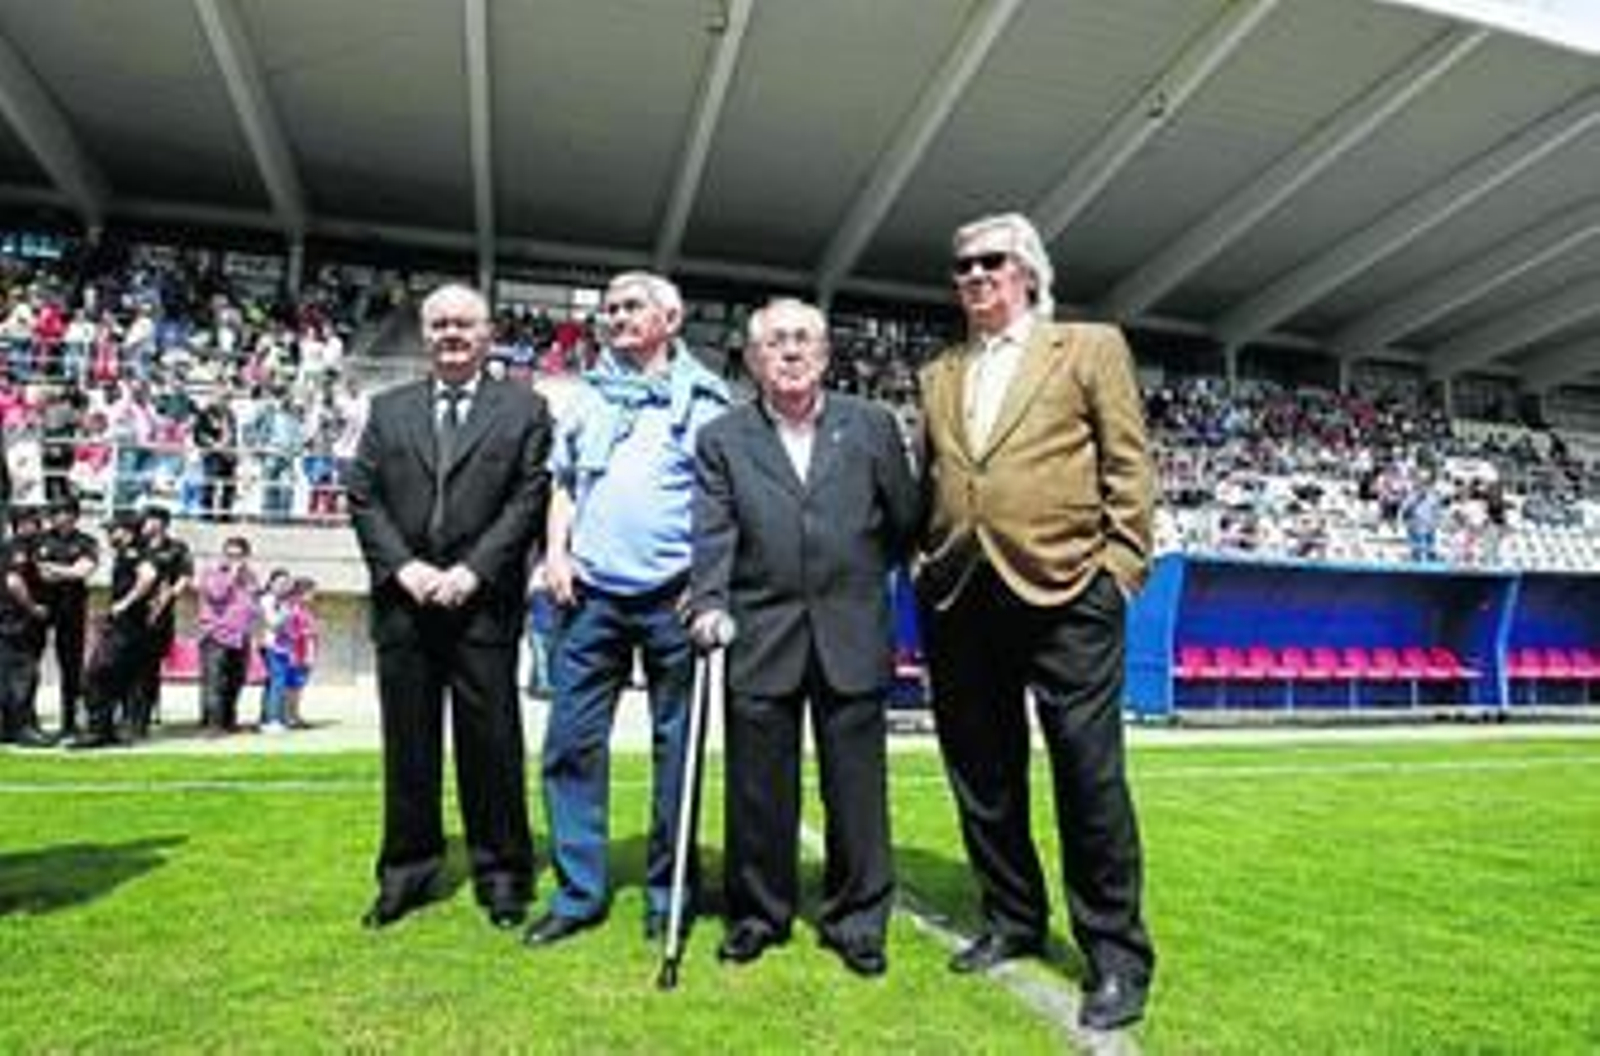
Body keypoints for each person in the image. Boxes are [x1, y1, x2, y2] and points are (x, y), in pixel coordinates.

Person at [916, 212, 1157, 1031]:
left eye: (992, 261)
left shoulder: (1089, 347)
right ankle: (1012, 918)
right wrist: (925, 561)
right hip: (960, 595)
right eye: (963, 266)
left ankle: (1117, 957)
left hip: (1068, 592)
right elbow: (935, 477)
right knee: (983, 778)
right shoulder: (938, 372)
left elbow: (1130, 463)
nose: (975, 276)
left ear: (1027, 272)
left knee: (1089, 778)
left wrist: (1120, 571)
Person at [689, 298, 919, 976]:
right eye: (775, 343)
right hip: (760, 632)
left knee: (856, 792)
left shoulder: (872, 426)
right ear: (754, 358)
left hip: (850, 630)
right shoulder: (722, 437)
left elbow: (904, 518)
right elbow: (713, 533)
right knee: (759, 790)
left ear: (824, 354)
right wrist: (707, 601)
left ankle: (857, 922)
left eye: (802, 340)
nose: (789, 352)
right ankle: (758, 914)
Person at [528, 270, 729, 947]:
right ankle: (578, 892)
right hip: (589, 598)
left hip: (673, 599)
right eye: (609, 308)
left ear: (670, 318)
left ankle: (669, 893)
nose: (615, 317)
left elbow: (721, 503)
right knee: (569, 745)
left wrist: (704, 580)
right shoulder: (587, 397)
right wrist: (556, 553)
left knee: (679, 752)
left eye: (631, 306)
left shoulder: (705, 401)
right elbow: (562, 485)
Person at [346, 282, 551, 931]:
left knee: (490, 746)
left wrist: (473, 571)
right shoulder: (388, 410)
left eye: (465, 324)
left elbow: (529, 498)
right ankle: (407, 872)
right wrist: (404, 567)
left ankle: (502, 874)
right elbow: (364, 497)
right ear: (425, 334)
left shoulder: (526, 410)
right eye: (439, 325)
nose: (452, 335)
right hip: (405, 605)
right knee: (409, 746)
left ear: (489, 333)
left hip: (482, 606)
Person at [69, 511, 158, 750]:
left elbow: (148, 576)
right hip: (128, 627)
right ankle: (108, 731)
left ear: (127, 531)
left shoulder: (134, 553)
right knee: (115, 680)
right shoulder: (127, 554)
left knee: (95, 676)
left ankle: (97, 731)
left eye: (113, 530)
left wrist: (125, 603)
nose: (109, 534)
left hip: (127, 628)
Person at [33, 495, 99, 738]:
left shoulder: (86, 542)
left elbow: (83, 571)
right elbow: (38, 573)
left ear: (75, 515)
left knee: (71, 668)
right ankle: (25, 721)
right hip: (39, 611)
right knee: (28, 667)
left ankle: (69, 723)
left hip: (72, 611)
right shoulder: (39, 539)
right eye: (58, 512)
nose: (63, 517)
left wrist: (53, 569)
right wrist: (66, 571)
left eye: (68, 512)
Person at [130, 506, 192, 737]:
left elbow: (185, 576)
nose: (144, 523)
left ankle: (143, 718)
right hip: (133, 615)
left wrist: (170, 595)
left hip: (160, 617)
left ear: (161, 523)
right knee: (129, 667)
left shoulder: (177, 548)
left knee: (150, 668)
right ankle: (128, 714)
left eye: (149, 519)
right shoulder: (136, 545)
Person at [0, 506, 55, 747]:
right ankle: (24, 728)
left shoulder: (23, 548)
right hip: (17, 622)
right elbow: (14, 582)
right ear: (21, 525)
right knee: (24, 675)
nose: (38, 526)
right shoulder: (18, 548)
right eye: (33, 522)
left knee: (10, 675)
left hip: (15, 622)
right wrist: (32, 607)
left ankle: (10, 727)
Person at [195, 535, 258, 733]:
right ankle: (213, 724)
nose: (234, 559)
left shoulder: (250, 576)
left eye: (239, 556)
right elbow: (216, 594)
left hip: (241, 635)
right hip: (216, 634)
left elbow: (252, 602)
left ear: (247, 556)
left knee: (236, 681)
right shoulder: (212, 572)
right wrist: (231, 574)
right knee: (215, 681)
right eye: (229, 555)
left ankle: (229, 721)